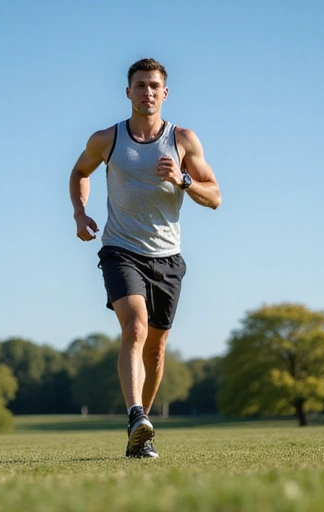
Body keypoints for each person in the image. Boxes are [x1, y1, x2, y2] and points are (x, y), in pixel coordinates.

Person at [69, 58, 221, 458]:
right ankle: (137, 415)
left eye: (154, 86)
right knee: (134, 327)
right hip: (121, 250)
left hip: (168, 258)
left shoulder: (183, 140)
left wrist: (182, 179)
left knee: (156, 349)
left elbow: (216, 196)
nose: (147, 92)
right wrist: (80, 212)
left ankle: (141, 432)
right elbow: (79, 172)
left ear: (165, 93)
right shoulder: (108, 139)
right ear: (128, 92)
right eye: (140, 85)